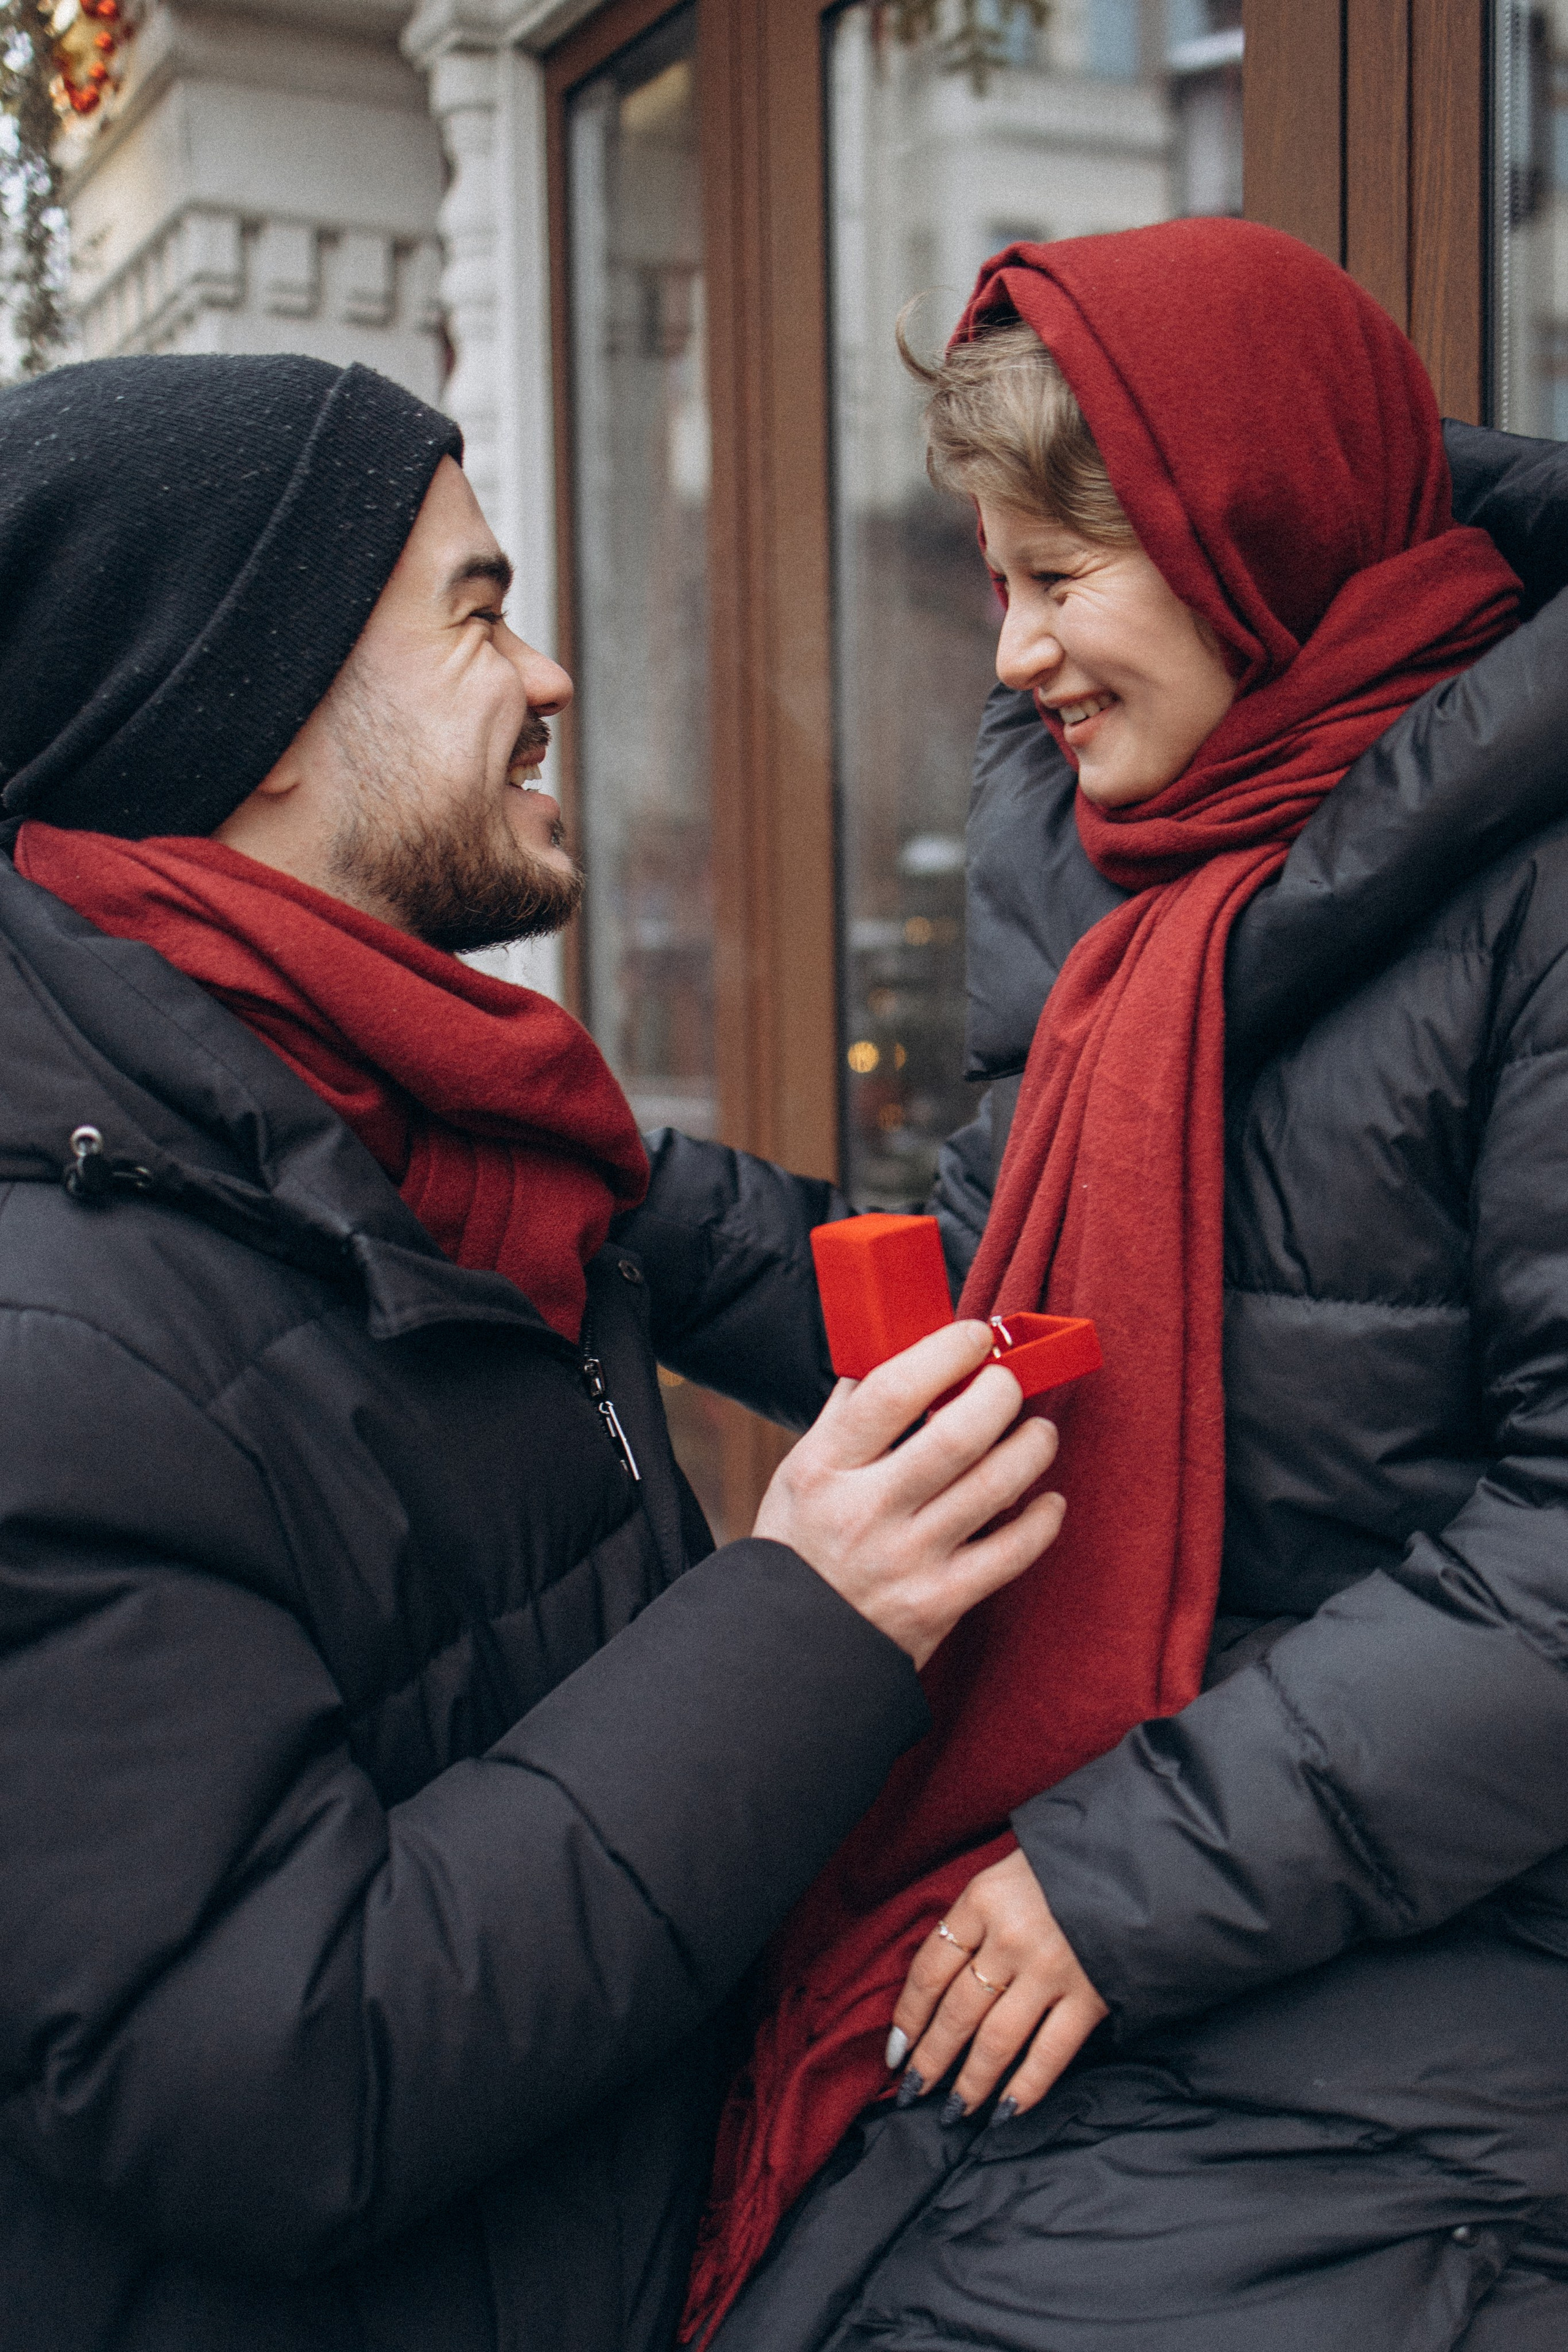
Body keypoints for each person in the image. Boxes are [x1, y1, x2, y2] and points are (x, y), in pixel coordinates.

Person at [0, 353, 1069, 2352]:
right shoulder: (58, 1340)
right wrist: (806, 1613)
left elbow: (844, 1247)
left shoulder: (448, 1134)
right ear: (257, 711)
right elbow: (273, 2074)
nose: (553, 675)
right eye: (479, 612)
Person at [684, 219, 1568, 2351]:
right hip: (1196, 1870)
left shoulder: (1535, 900)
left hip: (1450, 1944)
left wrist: (1130, 1878)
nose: (1010, 656)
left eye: (1059, 579)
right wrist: (611, 1207)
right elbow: (995, 1318)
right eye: (998, 584)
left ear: (1245, 539)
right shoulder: (1132, 904)